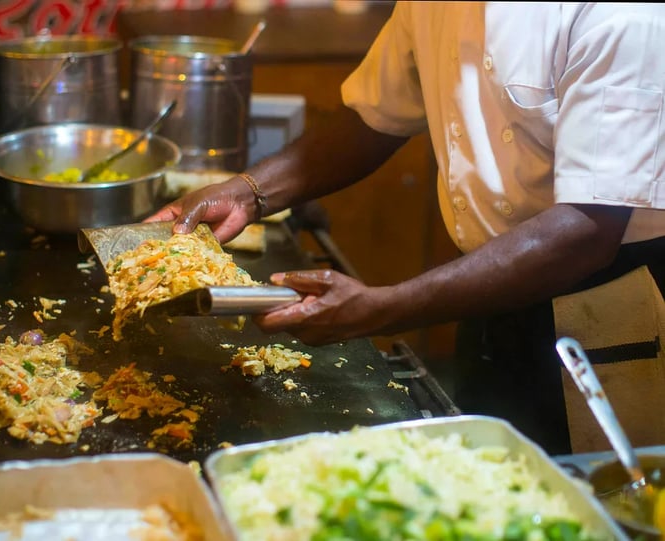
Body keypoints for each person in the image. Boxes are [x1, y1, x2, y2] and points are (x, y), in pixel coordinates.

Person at [147, 2, 665, 455]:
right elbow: (375, 116)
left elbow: (588, 228)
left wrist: (388, 306)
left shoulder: (620, 13)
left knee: (602, 499)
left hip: (610, 310)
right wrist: (247, 191)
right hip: (488, 288)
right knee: (489, 479)